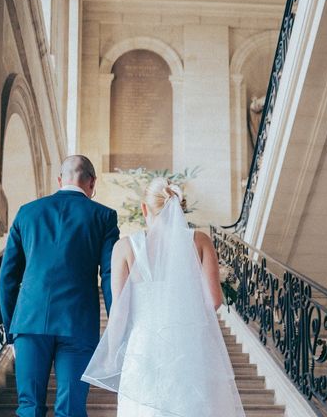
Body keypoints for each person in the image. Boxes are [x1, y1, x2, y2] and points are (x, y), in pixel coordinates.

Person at [82, 177, 244, 416]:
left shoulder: (125, 248)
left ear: (144, 208)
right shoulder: (199, 241)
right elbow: (214, 300)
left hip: (143, 349)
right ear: (180, 207)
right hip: (189, 347)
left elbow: (119, 312)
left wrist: (110, 354)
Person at [0, 155, 120, 417]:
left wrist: (11, 327)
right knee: (72, 409)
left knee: (29, 407)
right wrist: (116, 323)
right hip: (78, 323)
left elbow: (7, 276)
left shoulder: (27, 213)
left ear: (60, 179)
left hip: (29, 322)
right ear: (92, 183)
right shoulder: (104, 217)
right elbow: (110, 275)